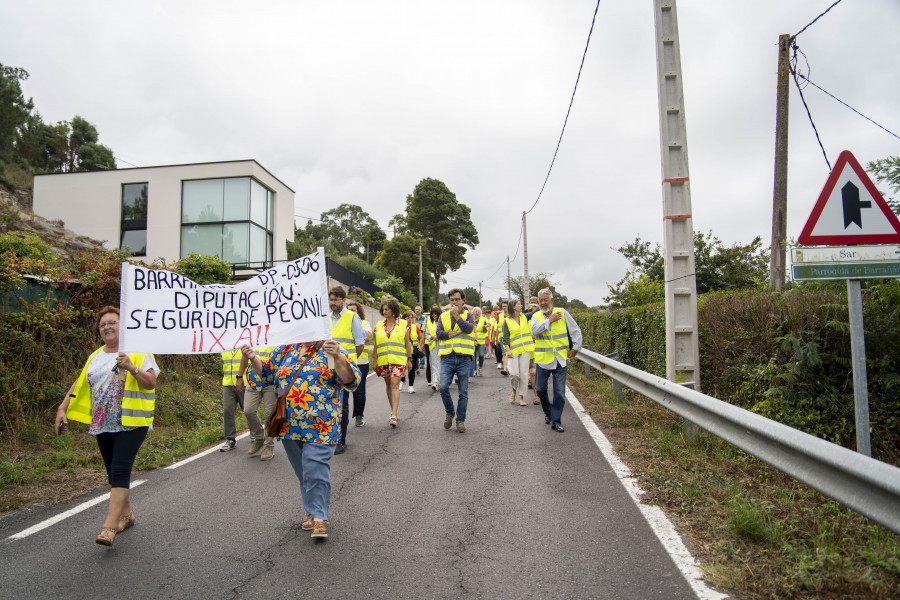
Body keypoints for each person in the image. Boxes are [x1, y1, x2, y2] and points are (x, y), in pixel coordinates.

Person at [54, 306, 159, 547]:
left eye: (112, 323)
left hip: (132, 423)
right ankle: (126, 516)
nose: (107, 327)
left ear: (122, 327)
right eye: (103, 325)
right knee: (113, 473)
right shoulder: (95, 356)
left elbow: (150, 383)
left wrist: (132, 366)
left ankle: (109, 528)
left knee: (121, 470)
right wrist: (62, 408)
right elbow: (79, 385)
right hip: (102, 424)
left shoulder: (140, 353)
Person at [241, 339, 360, 540]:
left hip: (321, 425)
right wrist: (253, 359)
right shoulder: (286, 349)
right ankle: (312, 510)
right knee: (304, 472)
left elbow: (350, 381)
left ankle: (320, 516)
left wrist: (338, 357)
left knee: (314, 467)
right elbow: (266, 374)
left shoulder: (331, 349)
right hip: (289, 426)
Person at [531, 288, 583, 432]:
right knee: (540, 389)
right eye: (540, 300)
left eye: (545, 300)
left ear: (552, 301)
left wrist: (577, 347)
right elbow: (535, 331)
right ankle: (548, 412)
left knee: (559, 392)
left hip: (560, 359)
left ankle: (556, 421)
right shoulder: (536, 317)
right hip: (543, 360)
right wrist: (549, 321)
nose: (542, 303)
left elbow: (575, 330)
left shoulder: (563, 313)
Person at [328, 286, 366, 455]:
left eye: (336, 300)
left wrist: (349, 362)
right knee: (330, 403)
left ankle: (341, 439)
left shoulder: (352, 317)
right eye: (331, 299)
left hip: (345, 368)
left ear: (343, 301)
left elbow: (360, 344)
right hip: (328, 367)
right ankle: (330, 437)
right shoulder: (325, 319)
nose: (332, 303)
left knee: (342, 404)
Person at [436, 288, 476, 433]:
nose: (454, 302)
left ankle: (460, 420)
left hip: (464, 358)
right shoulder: (443, 316)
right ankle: (450, 411)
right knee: (443, 387)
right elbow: (439, 334)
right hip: (446, 358)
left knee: (463, 392)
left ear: (463, 301)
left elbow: (469, 329)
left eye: (457, 299)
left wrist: (457, 317)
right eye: (452, 300)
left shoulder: (469, 315)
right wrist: (456, 333)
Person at [371, 297, 412, 427]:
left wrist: (409, 360)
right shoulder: (379, 325)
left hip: (398, 360)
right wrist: (375, 360)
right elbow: (376, 344)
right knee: (388, 385)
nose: (384, 311)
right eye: (383, 309)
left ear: (393, 310)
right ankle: (394, 409)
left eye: (387, 309)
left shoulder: (403, 324)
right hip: (384, 360)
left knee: (395, 384)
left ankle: (393, 414)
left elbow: (407, 343)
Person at [237, 346, 277, 461]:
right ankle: (259, 438)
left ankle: (269, 446)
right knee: (248, 410)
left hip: (271, 381)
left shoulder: (278, 335)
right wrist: (239, 376)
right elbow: (245, 356)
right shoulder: (253, 334)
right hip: (253, 380)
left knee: (269, 414)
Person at [502, 299, 535, 406]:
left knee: (524, 374)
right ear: (513, 307)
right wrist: (508, 350)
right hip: (513, 351)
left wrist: (539, 301)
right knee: (514, 374)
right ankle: (514, 390)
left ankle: (521, 398)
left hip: (526, 349)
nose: (521, 306)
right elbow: (505, 338)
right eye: (519, 304)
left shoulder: (524, 317)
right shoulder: (507, 321)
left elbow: (535, 312)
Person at [346, 301, 372, 427]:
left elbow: (367, 337)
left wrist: (356, 325)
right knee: (342, 392)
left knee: (359, 391)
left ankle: (359, 415)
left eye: (353, 310)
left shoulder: (364, 323)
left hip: (361, 362)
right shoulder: (341, 322)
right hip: (343, 362)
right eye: (348, 309)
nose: (350, 312)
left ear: (358, 312)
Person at [219, 348, 245, 451]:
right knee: (227, 410)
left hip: (243, 382)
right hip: (228, 383)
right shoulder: (223, 347)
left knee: (248, 410)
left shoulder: (243, 344)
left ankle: (255, 433)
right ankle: (230, 439)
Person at [399, 311, 422, 393]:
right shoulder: (400, 327)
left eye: (411, 317)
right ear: (404, 318)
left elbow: (421, 337)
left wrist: (420, 345)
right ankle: (402, 380)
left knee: (411, 369)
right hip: (402, 351)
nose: (409, 319)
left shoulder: (415, 327)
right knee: (402, 368)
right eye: (407, 318)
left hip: (413, 352)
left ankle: (411, 386)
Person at [423, 305, 442, 391]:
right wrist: (432, 337)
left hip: (443, 346)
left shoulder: (443, 322)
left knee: (442, 365)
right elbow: (426, 335)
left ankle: (441, 381)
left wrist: (440, 336)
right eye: (432, 313)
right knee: (434, 365)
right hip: (433, 347)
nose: (434, 315)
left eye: (435, 313)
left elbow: (448, 333)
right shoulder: (429, 322)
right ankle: (435, 382)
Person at [470, 307, 488, 377]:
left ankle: (480, 367)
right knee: (473, 357)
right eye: (476, 311)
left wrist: (484, 328)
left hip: (481, 341)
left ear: (480, 313)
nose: (477, 313)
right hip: (472, 341)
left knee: (481, 355)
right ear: (473, 312)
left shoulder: (483, 320)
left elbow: (486, 331)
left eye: (478, 312)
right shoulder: (470, 320)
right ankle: (474, 370)